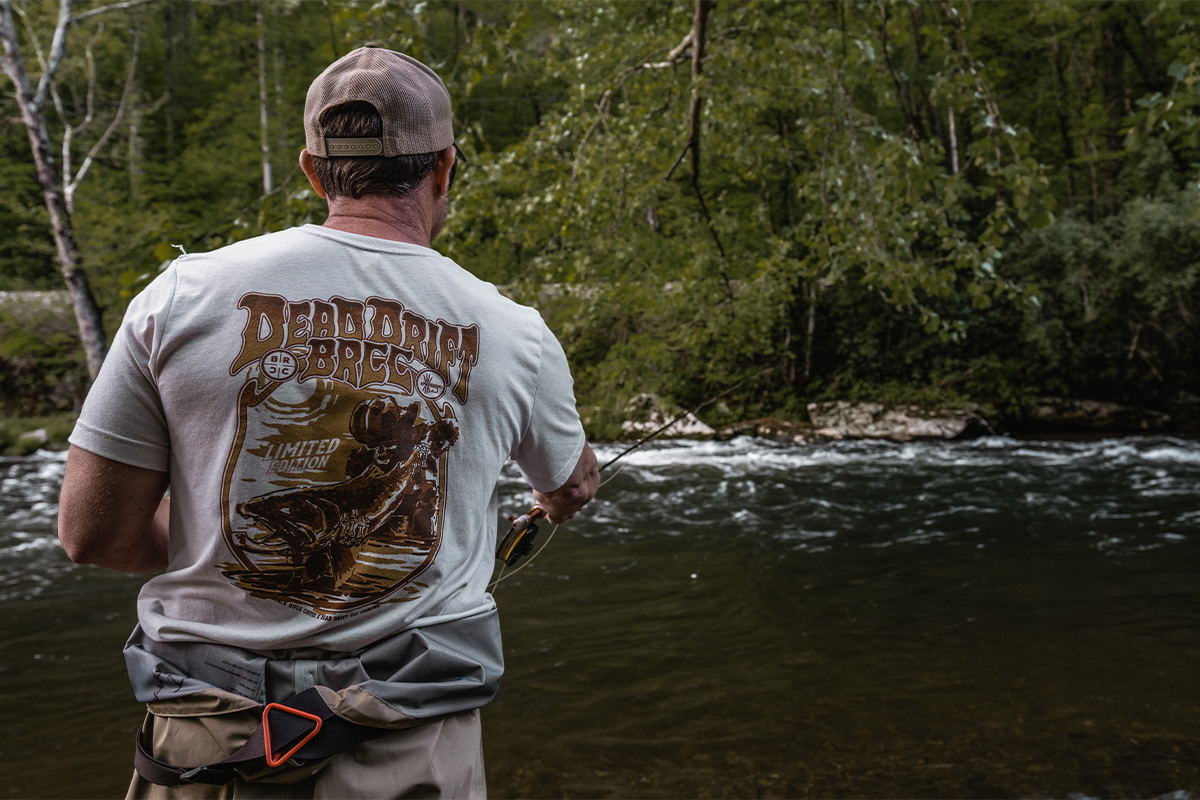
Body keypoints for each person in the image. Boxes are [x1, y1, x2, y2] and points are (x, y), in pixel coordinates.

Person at [57, 44, 598, 799]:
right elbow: (570, 483)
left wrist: (212, 523)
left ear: (313, 170)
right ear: (446, 167)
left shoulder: (179, 296)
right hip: (411, 746)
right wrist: (555, 499)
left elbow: (92, 534)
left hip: (205, 744)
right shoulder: (515, 332)